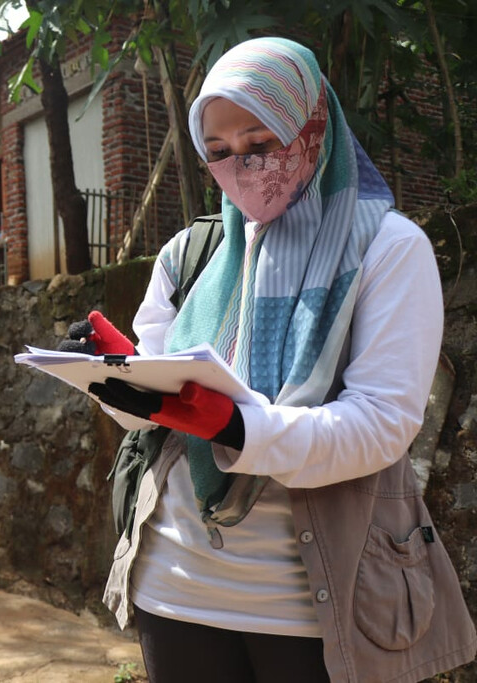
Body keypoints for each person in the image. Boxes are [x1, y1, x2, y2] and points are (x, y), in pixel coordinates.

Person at [73, 38, 476, 682]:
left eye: (260, 142)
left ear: (311, 125)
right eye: (221, 152)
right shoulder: (191, 254)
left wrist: (237, 428)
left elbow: (382, 423)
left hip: (311, 609)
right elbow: (158, 418)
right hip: (173, 589)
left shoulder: (387, 250)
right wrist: (115, 377)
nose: (242, 166)